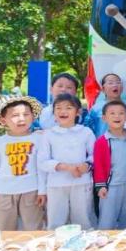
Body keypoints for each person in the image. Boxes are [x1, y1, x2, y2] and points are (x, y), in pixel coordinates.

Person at [0, 95, 46, 231]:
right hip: (4, 193)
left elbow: (42, 167)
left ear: (33, 117)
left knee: (35, 230)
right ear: (3, 120)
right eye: (15, 115)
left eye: (26, 114)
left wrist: (42, 191)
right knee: (4, 232)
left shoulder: (39, 139)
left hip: (31, 191)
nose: (21, 119)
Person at [38, 93, 96, 229]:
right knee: (56, 222)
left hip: (81, 182)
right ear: (53, 113)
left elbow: (95, 155)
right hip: (56, 184)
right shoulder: (48, 134)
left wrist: (87, 165)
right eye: (58, 108)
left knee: (83, 220)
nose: (63, 111)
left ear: (78, 112)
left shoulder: (86, 132)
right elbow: (42, 162)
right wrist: (65, 167)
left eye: (68, 108)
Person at [93, 100, 126, 230]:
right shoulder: (102, 141)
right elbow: (99, 166)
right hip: (110, 187)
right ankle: (104, 240)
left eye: (121, 113)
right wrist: (101, 186)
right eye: (112, 113)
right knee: (107, 220)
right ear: (104, 118)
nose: (117, 116)